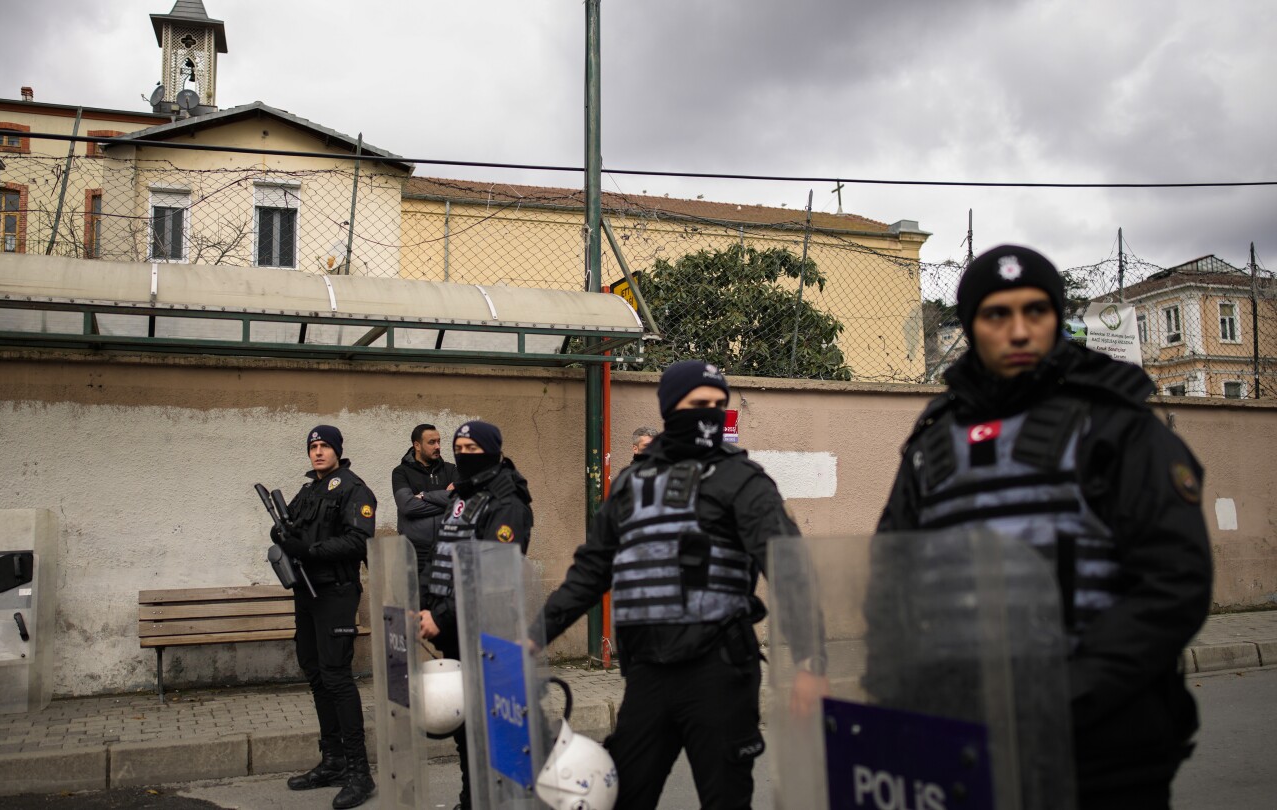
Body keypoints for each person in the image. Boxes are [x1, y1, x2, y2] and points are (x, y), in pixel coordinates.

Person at [876, 245, 1212, 810]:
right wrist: (901, 698)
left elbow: (1173, 583)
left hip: (1102, 748)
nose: (1019, 330)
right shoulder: (933, 441)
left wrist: (1060, 696)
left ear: (1056, 318)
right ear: (971, 326)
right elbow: (891, 584)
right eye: (996, 314)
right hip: (966, 741)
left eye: (1035, 311)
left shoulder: (1114, 423)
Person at [537, 360, 818, 810]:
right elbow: (591, 571)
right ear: (671, 406)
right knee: (623, 796)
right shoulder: (631, 483)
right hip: (647, 672)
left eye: (717, 405)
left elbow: (790, 569)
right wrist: (534, 636)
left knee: (725, 801)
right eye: (698, 403)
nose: (709, 413)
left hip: (719, 670)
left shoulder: (741, 479)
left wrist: (809, 659)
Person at [417, 420, 534, 810]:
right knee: (467, 729)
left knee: (489, 729)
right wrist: (426, 606)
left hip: (489, 631)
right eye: (458, 447)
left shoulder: (507, 501)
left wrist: (442, 616)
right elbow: (442, 555)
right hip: (456, 628)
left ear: (492, 449)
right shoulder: (464, 495)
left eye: (472, 448)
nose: (463, 454)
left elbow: (491, 573)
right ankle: (472, 799)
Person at [273, 425, 378, 808]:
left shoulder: (354, 488)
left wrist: (310, 549)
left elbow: (358, 539)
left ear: (337, 450)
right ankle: (332, 761)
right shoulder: (307, 490)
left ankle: (359, 773)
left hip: (335, 591)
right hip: (306, 592)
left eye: (324, 447)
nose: (318, 452)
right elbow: (293, 531)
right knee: (315, 672)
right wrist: (281, 534)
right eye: (313, 447)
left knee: (337, 676)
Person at [391, 423, 458, 574]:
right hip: (415, 552)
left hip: (447, 550)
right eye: (432, 442)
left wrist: (424, 496)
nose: (437, 446)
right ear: (417, 445)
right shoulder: (401, 472)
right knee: (415, 597)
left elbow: (462, 500)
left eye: (439, 441)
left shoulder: (451, 470)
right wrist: (446, 502)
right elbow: (407, 506)